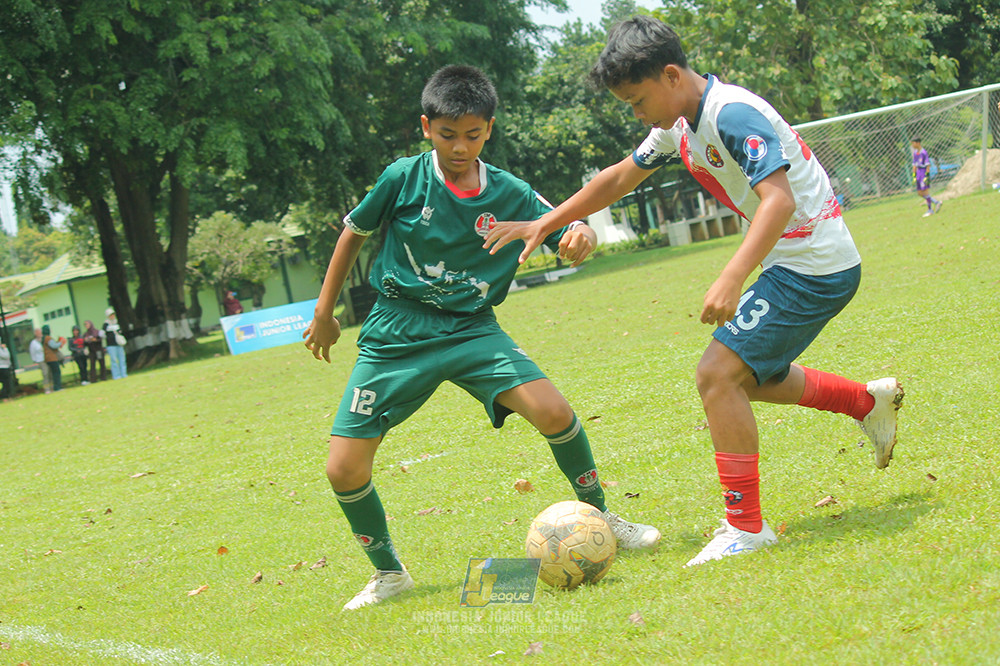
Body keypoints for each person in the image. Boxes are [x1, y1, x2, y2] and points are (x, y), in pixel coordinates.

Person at [484, 16, 904, 567]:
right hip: (797, 262)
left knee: (717, 374)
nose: (636, 114)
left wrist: (731, 277)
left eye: (637, 100)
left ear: (671, 75)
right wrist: (547, 222)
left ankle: (746, 527)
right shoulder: (679, 124)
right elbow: (617, 178)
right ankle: (862, 401)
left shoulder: (731, 114)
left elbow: (776, 200)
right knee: (743, 377)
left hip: (814, 266)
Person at [302, 64, 661, 611]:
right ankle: (389, 573)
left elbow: (566, 222)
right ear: (427, 127)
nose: (460, 147)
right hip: (397, 330)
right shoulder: (403, 177)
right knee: (342, 468)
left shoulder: (509, 192)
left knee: (554, 412)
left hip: (472, 328)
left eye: (472, 135)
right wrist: (325, 312)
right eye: (448, 135)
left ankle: (601, 517)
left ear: (488, 129)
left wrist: (581, 233)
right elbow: (354, 232)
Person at [911, 137, 942, 217]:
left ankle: (930, 210)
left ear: (918, 143)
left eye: (913, 143)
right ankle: (936, 202)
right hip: (918, 173)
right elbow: (914, 165)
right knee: (919, 193)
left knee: (925, 192)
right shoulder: (915, 153)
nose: (912, 145)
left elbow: (928, 165)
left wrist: (927, 176)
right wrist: (914, 176)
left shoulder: (924, 153)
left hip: (923, 172)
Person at [103, 308, 128, 380]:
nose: (112, 316)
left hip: (119, 344)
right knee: (114, 360)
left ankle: (124, 374)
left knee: (122, 359)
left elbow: (120, 331)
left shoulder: (117, 322)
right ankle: (116, 376)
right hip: (111, 345)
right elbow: (104, 332)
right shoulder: (106, 324)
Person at [41, 324, 65, 392]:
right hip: (52, 358)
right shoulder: (47, 338)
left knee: (54, 373)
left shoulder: (44, 338)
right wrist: (60, 342)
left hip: (48, 358)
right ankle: (57, 387)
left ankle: (56, 387)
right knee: (57, 372)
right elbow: (54, 346)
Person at [29, 328, 51, 393]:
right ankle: (47, 389)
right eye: (37, 333)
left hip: (48, 358)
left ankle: (52, 386)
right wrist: (34, 360)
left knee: (50, 373)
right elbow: (32, 352)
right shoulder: (33, 343)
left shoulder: (44, 339)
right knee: (45, 373)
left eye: (40, 332)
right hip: (40, 360)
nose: (39, 334)